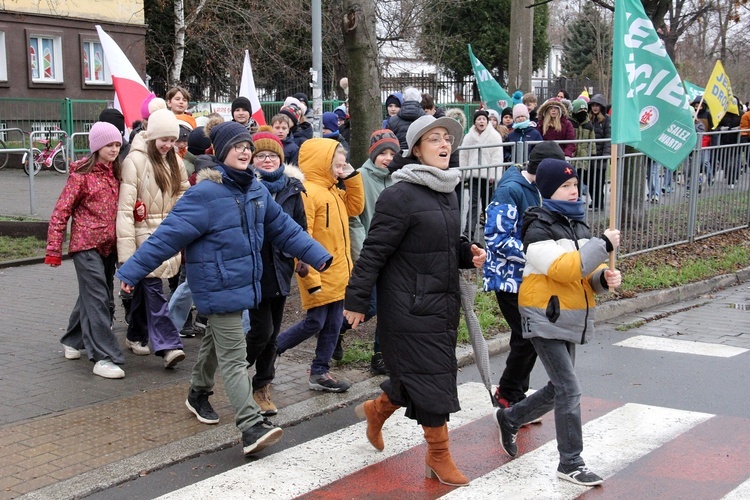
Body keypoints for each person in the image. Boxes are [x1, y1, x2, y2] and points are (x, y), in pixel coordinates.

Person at [116, 121, 332, 456]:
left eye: (248, 146)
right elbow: (165, 238)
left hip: (245, 282)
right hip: (215, 284)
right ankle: (250, 425)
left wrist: (318, 256)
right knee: (233, 356)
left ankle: (198, 392)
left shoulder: (256, 191)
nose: (246, 151)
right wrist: (132, 270)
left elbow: (286, 230)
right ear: (220, 152)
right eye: (238, 146)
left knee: (218, 344)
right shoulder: (204, 195)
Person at [345, 114, 487, 488]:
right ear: (417, 149)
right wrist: (357, 300)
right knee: (434, 381)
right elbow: (374, 252)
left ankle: (377, 411)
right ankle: (438, 457)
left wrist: (465, 252)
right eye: (434, 139)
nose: (444, 145)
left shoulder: (446, 189)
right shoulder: (400, 194)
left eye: (447, 139)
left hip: (440, 302)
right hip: (407, 305)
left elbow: (440, 243)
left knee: (423, 375)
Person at [494, 158, 621, 487]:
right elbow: (565, 269)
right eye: (566, 186)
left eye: (575, 185)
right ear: (549, 189)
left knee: (557, 389)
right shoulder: (537, 228)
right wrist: (603, 246)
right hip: (543, 316)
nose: (573, 190)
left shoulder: (578, 225)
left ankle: (510, 418)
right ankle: (571, 462)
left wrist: (603, 280)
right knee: (569, 388)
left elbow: (582, 278)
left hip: (570, 316)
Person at [275, 138, 364, 392]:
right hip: (318, 273)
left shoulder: (333, 190)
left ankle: (320, 371)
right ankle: (273, 349)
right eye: (337, 165)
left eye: (342, 165)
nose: (340, 170)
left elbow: (356, 207)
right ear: (321, 163)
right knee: (315, 322)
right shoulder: (309, 192)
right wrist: (310, 278)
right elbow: (301, 237)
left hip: (337, 273)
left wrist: (351, 176)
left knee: (333, 323)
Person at [484, 141, 565, 409]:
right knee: (527, 335)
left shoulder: (536, 189)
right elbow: (496, 237)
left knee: (528, 335)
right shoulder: (510, 190)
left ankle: (516, 395)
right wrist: (536, 253)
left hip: (529, 276)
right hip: (507, 277)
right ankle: (508, 394)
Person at [46, 122, 126, 379]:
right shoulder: (81, 175)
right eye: (108, 145)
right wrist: (54, 249)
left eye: (117, 144)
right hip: (85, 245)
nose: (114, 149)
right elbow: (61, 212)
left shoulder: (118, 172)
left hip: (108, 245)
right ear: (96, 147)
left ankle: (72, 339)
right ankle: (103, 356)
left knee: (91, 295)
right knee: (99, 298)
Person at [117, 108, 188, 367]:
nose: (168, 145)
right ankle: (169, 345)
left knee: (145, 292)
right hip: (141, 237)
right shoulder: (133, 162)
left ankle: (136, 335)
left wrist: (177, 219)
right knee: (155, 291)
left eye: (173, 139)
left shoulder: (175, 161)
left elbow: (183, 192)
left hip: (167, 233)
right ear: (151, 137)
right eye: (164, 140)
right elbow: (125, 211)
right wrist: (127, 259)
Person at [244, 130, 308, 416]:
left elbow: (299, 227)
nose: (267, 160)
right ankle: (237, 369)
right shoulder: (244, 186)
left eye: (272, 155)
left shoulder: (292, 188)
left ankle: (262, 386)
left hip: (280, 266)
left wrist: (304, 256)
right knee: (262, 330)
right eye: (261, 155)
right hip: (253, 267)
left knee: (272, 334)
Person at [337, 129, 401, 374]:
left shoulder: (399, 177)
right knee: (370, 305)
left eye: (391, 153)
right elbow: (354, 218)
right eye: (382, 153)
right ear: (372, 154)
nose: (387, 158)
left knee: (389, 307)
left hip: (394, 254)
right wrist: (363, 250)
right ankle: (335, 331)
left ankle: (380, 355)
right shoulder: (361, 176)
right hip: (370, 251)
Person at [459, 109, 504, 240]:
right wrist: (464, 171)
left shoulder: (495, 136)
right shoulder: (469, 136)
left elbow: (497, 155)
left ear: (487, 121)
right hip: (473, 175)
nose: (481, 121)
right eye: (479, 119)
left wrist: (493, 174)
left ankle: (491, 231)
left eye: (484, 119)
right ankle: (468, 232)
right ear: (475, 122)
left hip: (488, 176)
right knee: (472, 204)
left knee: (488, 205)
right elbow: (464, 154)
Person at [568, 99, 596, 202]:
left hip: (583, 158)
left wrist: (593, 155)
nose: (582, 112)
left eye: (584, 110)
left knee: (580, 179)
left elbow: (592, 142)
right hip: (572, 156)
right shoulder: (569, 122)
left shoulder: (588, 125)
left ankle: (578, 199)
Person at [588, 94, 611, 210]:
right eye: (593, 105)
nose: (595, 108)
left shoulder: (607, 119)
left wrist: (606, 155)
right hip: (590, 156)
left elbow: (608, 137)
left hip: (601, 156)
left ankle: (599, 202)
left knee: (599, 181)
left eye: (597, 105)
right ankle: (594, 199)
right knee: (590, 180)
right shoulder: (589, 119)